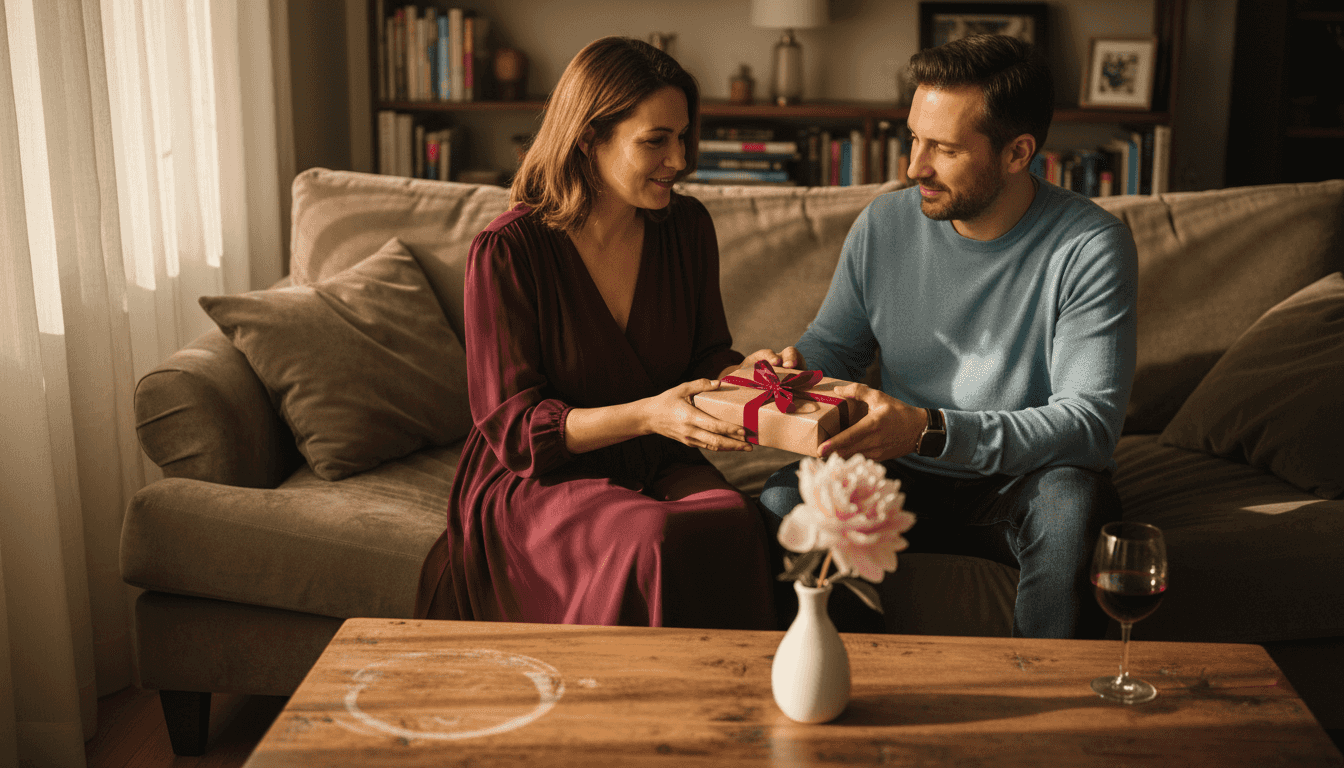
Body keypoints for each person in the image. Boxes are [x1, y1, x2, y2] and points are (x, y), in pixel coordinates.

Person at [758, 34, 1138, 639]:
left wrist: (929, 430)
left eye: (944, 148)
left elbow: (1089, 427)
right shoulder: (884, 224)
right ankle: (844, 681)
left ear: (1018, 153)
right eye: (914, 136)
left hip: (1021, 483)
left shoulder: (1089, 247)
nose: (914, 167)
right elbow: (839, 346)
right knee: (785, 499)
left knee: (1073, 504)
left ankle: (1053, 710)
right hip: (897, 474)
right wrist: (790, 368)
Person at [414, 36, 785, 630]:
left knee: (737, 519)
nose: (680, 160)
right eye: (655, 141)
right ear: (589, 137)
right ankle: (629, 714)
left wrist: (752, 378)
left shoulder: (686, 228)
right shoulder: (508, 251)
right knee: (652, 535)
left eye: (683, 137)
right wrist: (648, 414)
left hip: (655, 457)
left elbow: (709, 356)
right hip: (539, 476)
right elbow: (516, 432)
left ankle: (722, 709)